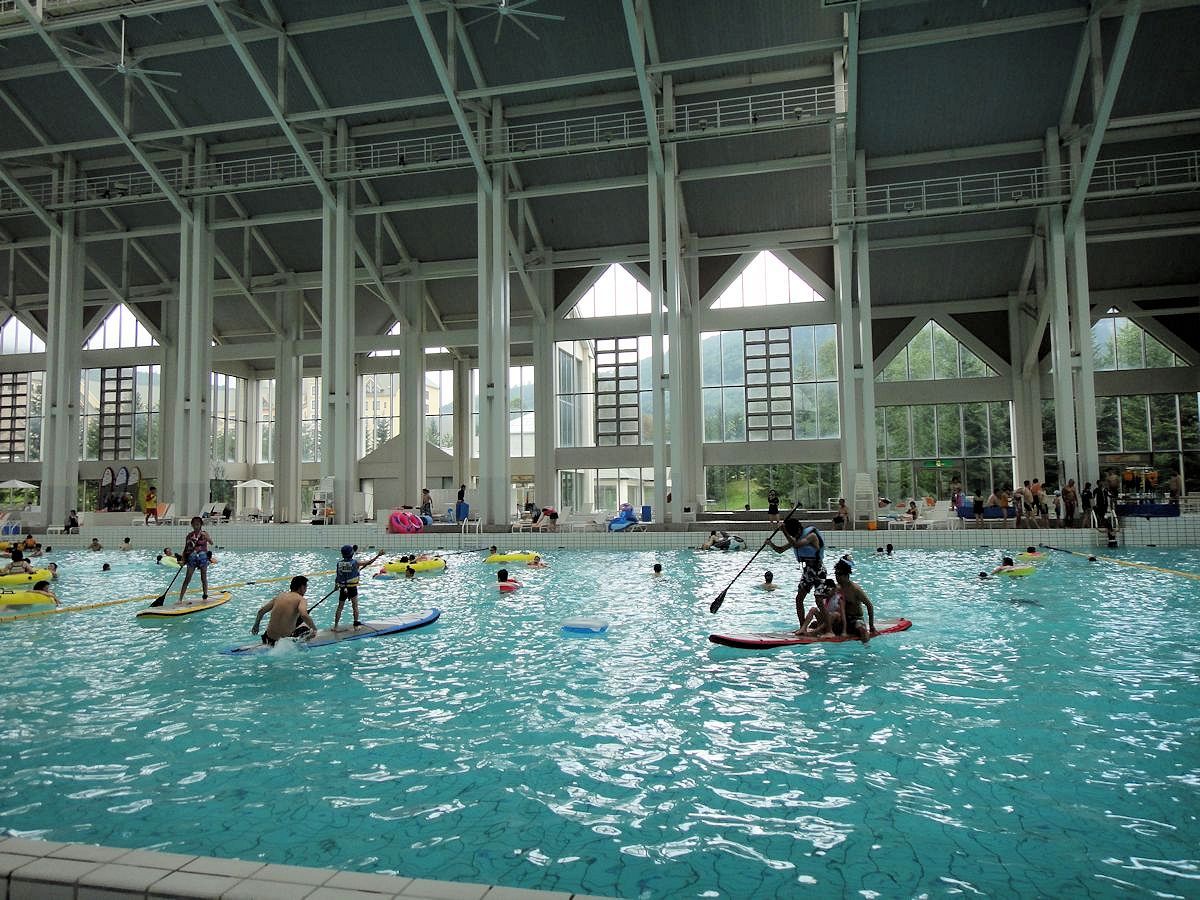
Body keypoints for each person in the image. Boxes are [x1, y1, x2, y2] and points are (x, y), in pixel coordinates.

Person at [766, 517, 825, 628]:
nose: (794, 536)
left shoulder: (811, 536)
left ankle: (828, 628)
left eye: (793, 533)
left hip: (818, 570)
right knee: (799, 599)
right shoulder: (795, 539)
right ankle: (802, 627)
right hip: (808, 571)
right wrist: (770, 544)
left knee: (819, 600)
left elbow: (796, 545)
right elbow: (780, 550)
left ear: (799, 529)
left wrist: (784, 530)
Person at [251, 576, 316, 647]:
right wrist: (314, 629)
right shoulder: (301, 599)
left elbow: (261, 611)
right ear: (302, 587)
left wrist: (256, 625)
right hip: (284, 641)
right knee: (306, 628)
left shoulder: (279, 596)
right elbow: (304, 615)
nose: (306, 590)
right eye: (306, 587)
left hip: (268, 638)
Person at [332, 544, 385, 632]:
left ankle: (335, 626)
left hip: (343, 589)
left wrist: (335, 586)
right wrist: (378, 555)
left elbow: (338, 577)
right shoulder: (355, 563)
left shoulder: (339, 564)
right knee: (355, 607)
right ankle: (356, 626)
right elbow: (369, 562)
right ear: (352, 553)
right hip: (352, 588)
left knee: (340, 607)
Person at [834, 557, 876, 643]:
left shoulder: (855, 589)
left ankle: (867, 649)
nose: (837, 577)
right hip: (843, 620)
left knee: (862, 630)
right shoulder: (836, 588)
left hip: (856, 619)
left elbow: (869, 605)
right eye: (836, 574)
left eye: (839, 574)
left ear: (846, 575)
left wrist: (871, 626)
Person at [177, 516, 212, 603]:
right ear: (192, 525)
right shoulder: (189, 536)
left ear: (201, 525)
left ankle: (205, 595)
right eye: (194, 524)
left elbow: (211, 542)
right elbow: (186, 549)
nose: (196, 526)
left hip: (202, 558)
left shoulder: (204, 534)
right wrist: (183, 560)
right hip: (192, 558)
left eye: (198, 524)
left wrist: (207, 538)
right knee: (187, 578)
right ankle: (180, 599)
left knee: (203, 577)